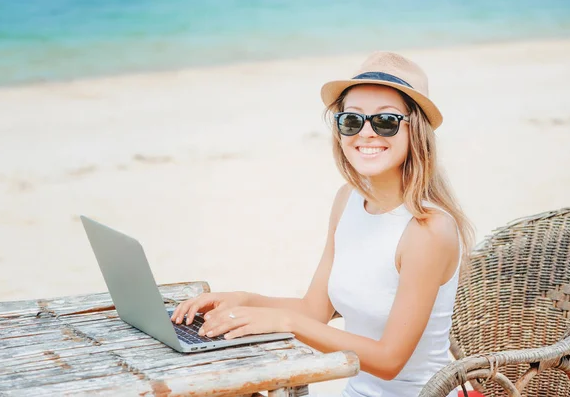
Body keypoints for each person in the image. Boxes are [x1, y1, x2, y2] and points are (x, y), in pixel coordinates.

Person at [171, 51, 474, 397]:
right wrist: (243, 300)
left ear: (415, 131)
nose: (367, 134)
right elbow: (314, 310)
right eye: (352, 121)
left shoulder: (428, 230)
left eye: (386, 121)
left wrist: (286, 323)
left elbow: (390, 361)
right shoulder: (348, 200)